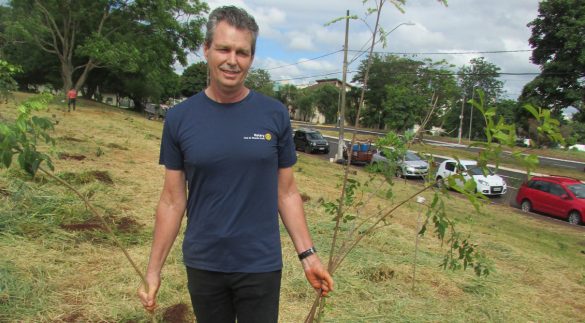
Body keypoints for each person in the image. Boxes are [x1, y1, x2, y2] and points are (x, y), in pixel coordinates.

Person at [137, 6, 333, 323]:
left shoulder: (274, 114)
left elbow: (287, 193)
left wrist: (308, 257)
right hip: (204, 263)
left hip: (260, 264)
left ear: (251, 57)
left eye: (242, 52)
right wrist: (153, 270)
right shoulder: (179, 118)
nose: (232, 60)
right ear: (206, 50)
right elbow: (173, 200)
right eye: (224, 49)